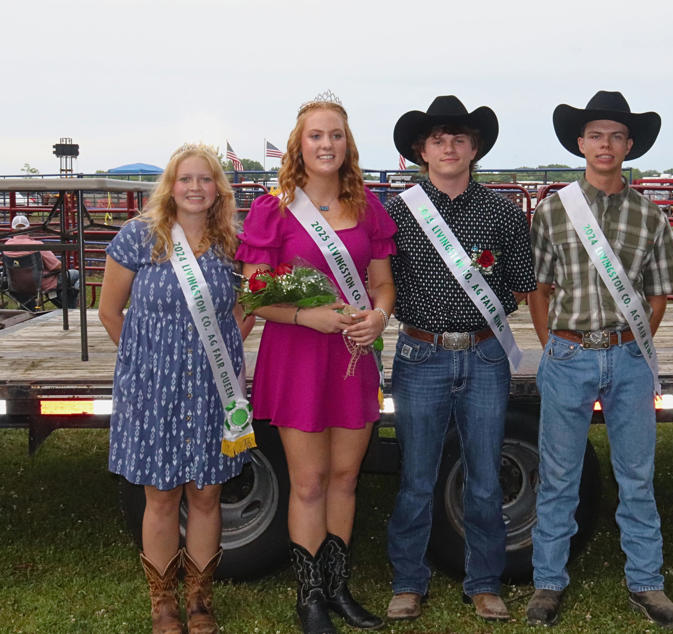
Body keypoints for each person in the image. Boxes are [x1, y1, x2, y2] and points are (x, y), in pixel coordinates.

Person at [526, 91, 673, 629]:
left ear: (629, 145)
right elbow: (540, 288)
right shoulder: (553, 209)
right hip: (569, 354)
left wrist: (635, 343)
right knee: (557, 475)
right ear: (580, 143)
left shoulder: (650, 215)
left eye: (616, 136)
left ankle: (647, 580)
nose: (605, 144)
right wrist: (555, 345)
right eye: (596, 135)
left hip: (629, 358)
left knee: (637, 474)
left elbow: (660, 290)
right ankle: (548, 582)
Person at [236, 92, 395, 634]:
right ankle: (309, 599)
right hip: (298, 356)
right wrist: (307, 319)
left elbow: (382, 286)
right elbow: (255, 296)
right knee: (308, 482)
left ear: (347, 144)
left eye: (336, 135)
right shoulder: (272, 209)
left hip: (353, 360)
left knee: (345, 478)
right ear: (297, 146)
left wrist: (378, 318)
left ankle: (338, 586)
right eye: (316, 135)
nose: (327, 144)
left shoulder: (369, 207)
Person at [384, 96, 536, 622]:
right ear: (420, 150)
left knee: (486, 476)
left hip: (485, 355)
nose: (449, 147)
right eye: (438, 139)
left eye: (459, 138)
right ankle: (407, 581)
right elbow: (380, 282)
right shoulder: (395, 211)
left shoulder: (503, 212)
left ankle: (485, 581)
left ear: (475, 149)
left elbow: (519, 283)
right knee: (416, 475)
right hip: (420, 352)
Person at [99, 144, 251, 634]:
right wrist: (143, 363)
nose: (194, 188)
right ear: (171, 185)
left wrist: (223, 352)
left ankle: (201, 603)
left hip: (211, 388)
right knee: (161, 494)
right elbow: (109, 311)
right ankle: (163, 605)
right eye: (185, 179)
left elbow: (244, 311)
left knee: (207, 494)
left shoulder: (232, 242)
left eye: (205, 180)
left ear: (217, 189)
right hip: (153, 388)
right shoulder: (138, 238)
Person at [3, 214, 80, 308]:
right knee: (76, 274)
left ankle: (29, 307)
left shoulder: (6, 246)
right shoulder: (37, 245)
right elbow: (58, 266)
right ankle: (70, 306)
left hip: (15, 285)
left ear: (12, 229)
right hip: (40, 283)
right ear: (29, 228)